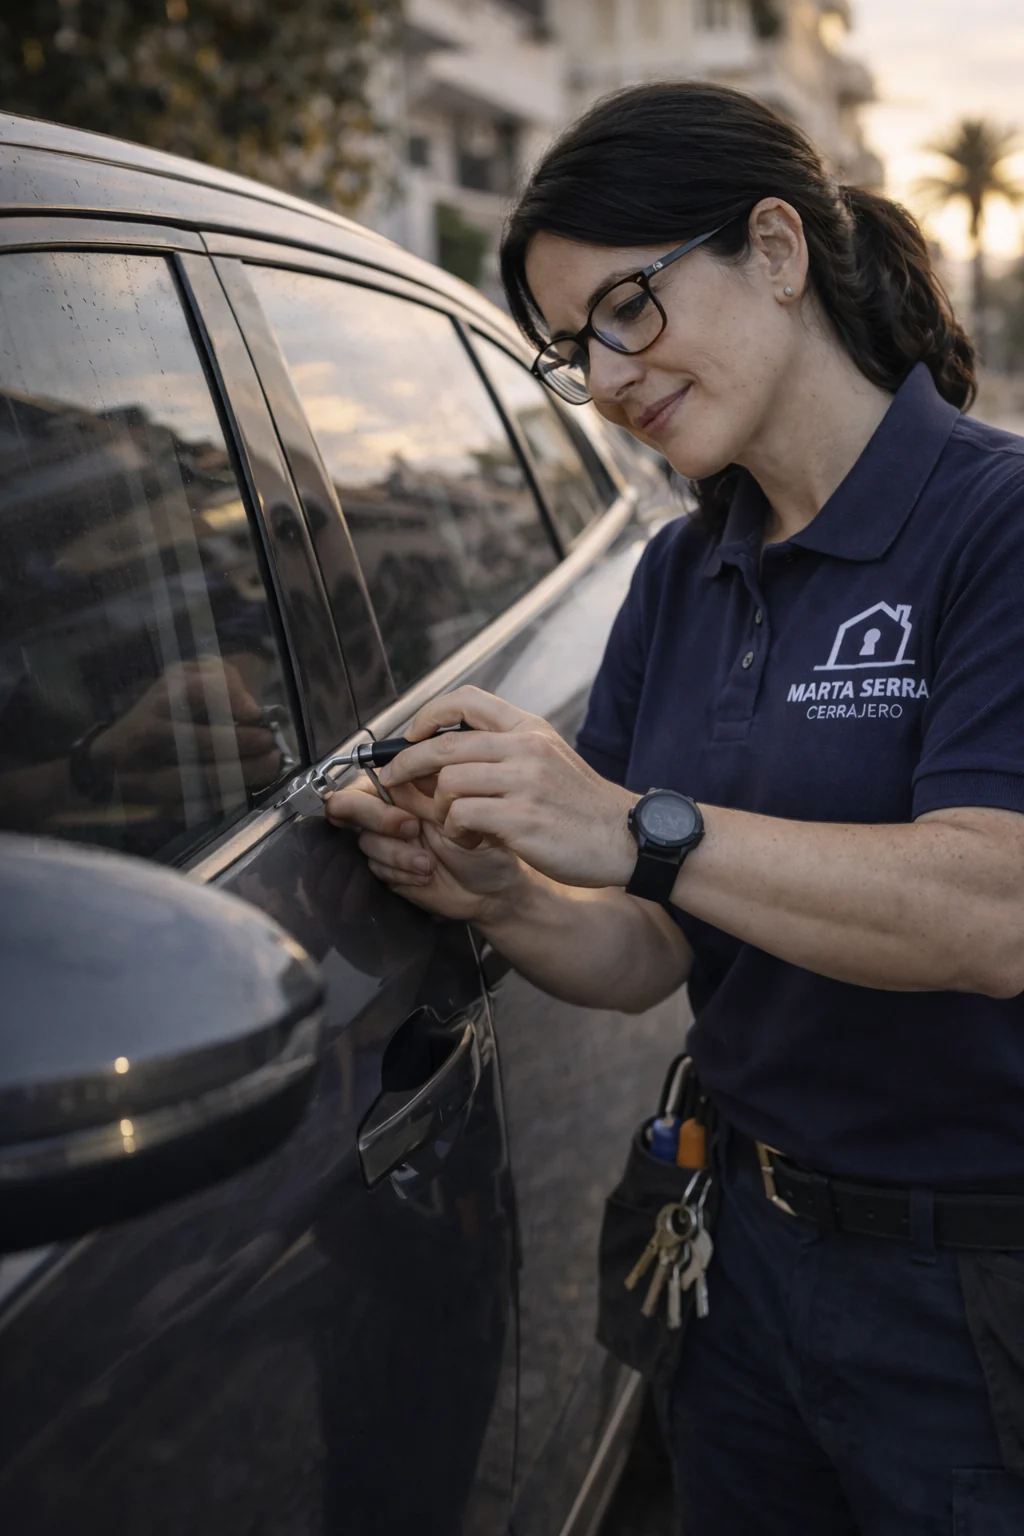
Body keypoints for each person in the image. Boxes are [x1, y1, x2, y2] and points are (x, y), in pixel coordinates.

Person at [327, 82, 1024, 1533]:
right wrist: (504, 893)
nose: (610, 374)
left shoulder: (992, 525)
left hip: (974, 1293)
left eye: (628, 307)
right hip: (740, 1265)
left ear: (776, 248)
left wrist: (639, 824)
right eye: (574, 347)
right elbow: (650, 951)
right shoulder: (675, 574)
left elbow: (993, 909)